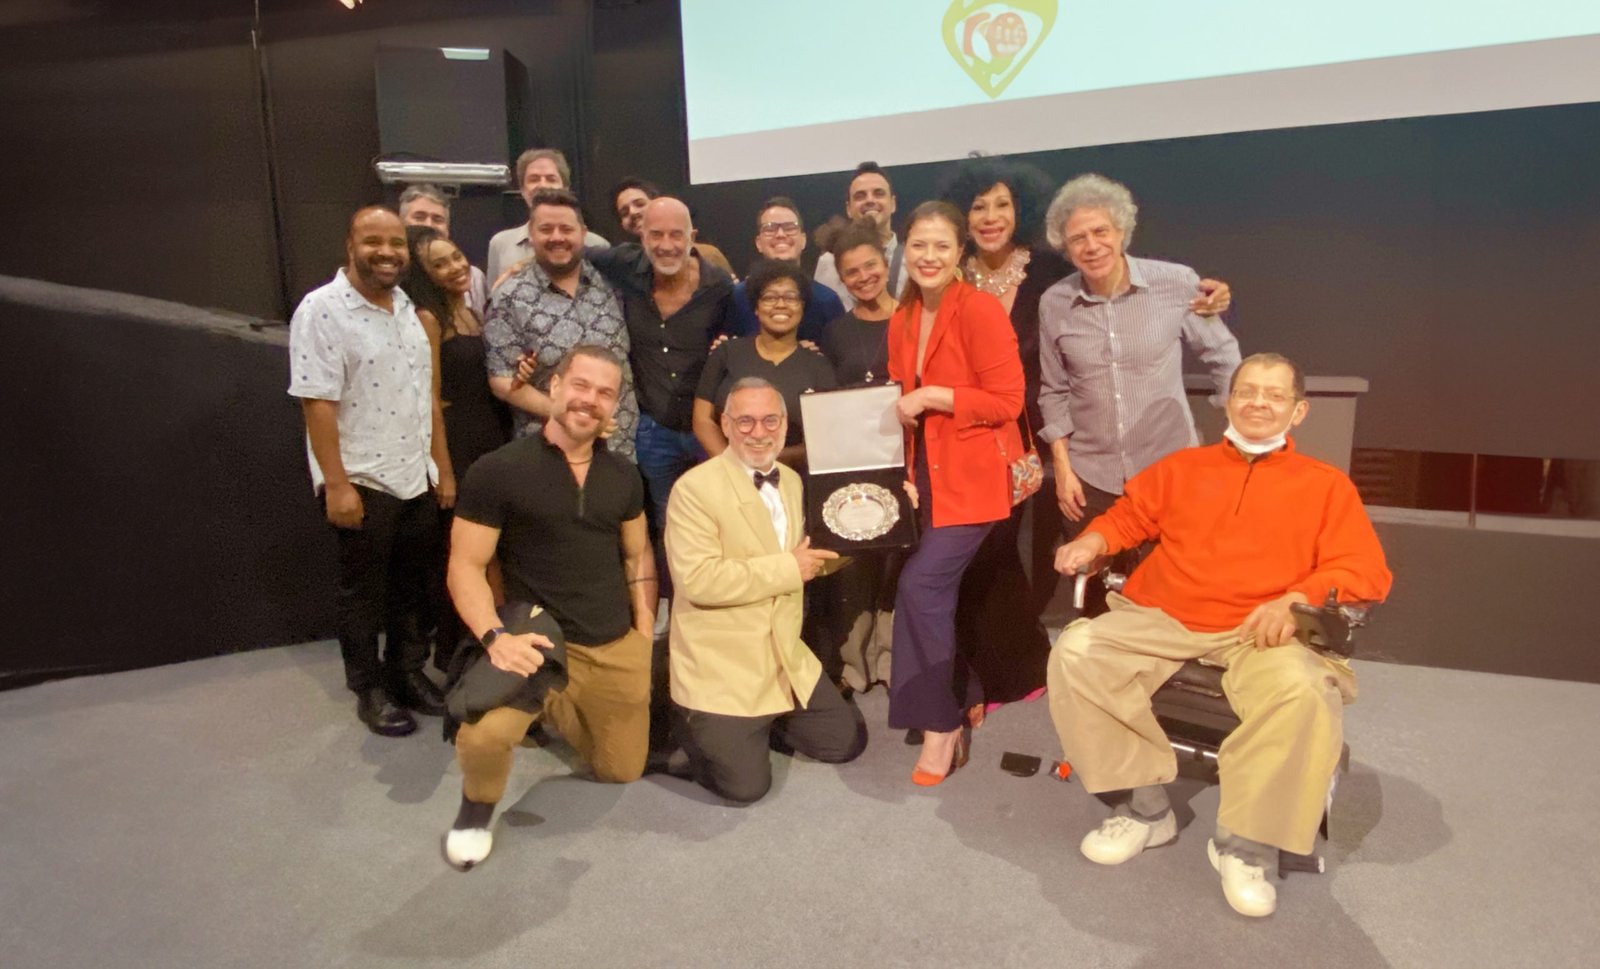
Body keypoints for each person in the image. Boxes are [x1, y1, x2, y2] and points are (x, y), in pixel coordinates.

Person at [1049, 353, 1393, 918]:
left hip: (1260, 628)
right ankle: (1144, 810)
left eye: (1274, 395)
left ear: (1298, 410)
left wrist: (1296, 597)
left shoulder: (1327, 487)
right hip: (1165, 615)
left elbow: (1364, 570)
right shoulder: (1182, 468)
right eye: (1247, 391)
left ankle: (1245, 844)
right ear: (1227, 402)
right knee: (1078, 651)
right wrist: (1096, 540)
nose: (1258, 402)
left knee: (1305, 690)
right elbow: (1131, 517)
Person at [441, 345, 656, 869]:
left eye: (605, 392)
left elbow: (638, 554)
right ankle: (474, 810)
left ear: (616, 405)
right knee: (484, 735)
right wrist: (495, 638)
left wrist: (645, 629)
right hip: (538, 641)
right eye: (580, 385)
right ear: (555, 388)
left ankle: (558, 708)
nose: (590, 400)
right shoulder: (497, 471)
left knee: (621, 770)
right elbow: (465, 566)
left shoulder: (625, 476)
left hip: (613, 641)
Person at [1038, 173, 1241, 617]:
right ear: (1065, 247)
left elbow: (1223, 355)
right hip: (1091, 478)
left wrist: (1233, 437)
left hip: (1169, 468)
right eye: (1077, 239)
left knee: (1170, 597)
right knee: (1094, 605)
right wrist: (1063, 465)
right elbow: (1053, 390)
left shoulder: (1176, 283)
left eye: (1100, 232)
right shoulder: (1055, 301)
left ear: (1121, 231)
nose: (1091, 246)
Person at [287, 206, 452, 737]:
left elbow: (428, 398)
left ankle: (407, 670)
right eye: (373, 241)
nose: (386, 252)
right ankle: (370, 687)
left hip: (414, 475)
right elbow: (317, 403)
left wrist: (441, 471)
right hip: (361, 481)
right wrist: (336, 484)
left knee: (413, 586)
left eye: (396, 243)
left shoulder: (408, 308)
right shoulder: (322, 310)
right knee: (364, 595)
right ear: (350, 245)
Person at [664, 378, 867, 803]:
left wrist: (875, 526)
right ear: (724, 423)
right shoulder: (694, 489)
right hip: (725, 665)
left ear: (785, 423)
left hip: (783, 656)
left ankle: (762, 723)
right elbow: (698, 580)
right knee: (748, 788)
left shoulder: (790, 480)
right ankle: (688, 721)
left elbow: (809, 558)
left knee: (842, 742)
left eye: (770, 420)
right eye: (746, 421)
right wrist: (789, 567)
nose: (759, 432)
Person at [886, 200, 1026, 785]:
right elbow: (896, 403)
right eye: (919, 245)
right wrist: (903, 474)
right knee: (935, 594)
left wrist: (936, 396)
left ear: (959, 254)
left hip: (975, 481)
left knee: (922, 586)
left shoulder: (981, 310)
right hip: (926, 478)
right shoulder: (901, 317)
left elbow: (1008, 402)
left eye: (942, 246)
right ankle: (962, 694)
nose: (929, 256)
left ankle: (942, 726)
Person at [585, 197, 736, 547]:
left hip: (708, 427)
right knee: (666, 521)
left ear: (691, 236)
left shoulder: (721, 288)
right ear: (641, 235)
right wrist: (523, 266)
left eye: (675, 235)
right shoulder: (625, 264)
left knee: (718, 518)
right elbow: (570, 252)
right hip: (653, 430)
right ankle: (674, 598)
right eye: (656, 235)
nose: (666, 245)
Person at [401, 226, 512, 670]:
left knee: (495, 550)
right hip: (458, 441)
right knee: (464, 553)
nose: (455, 267)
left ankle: (489, 642)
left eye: (457, 256)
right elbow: (429, 397)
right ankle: (454, 654)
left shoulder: (469, 310)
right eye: (440, 263)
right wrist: (443, 471)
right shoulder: (429, 319)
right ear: (424, 275)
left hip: (489, 434)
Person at [483, 188, 636, 461]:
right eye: (546, 229)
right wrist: (567, 411)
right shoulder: (509, 297)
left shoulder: (613, 281)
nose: (557, 237)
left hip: (619, 448)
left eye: (566, 229)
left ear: (582, 233)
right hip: (550, 454)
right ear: (531, 235)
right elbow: (502, 379)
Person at [814, 218, 901, 692]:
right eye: (852, 272)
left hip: (902, 459)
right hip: (850, 464)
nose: (864, 276)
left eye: (870, 265)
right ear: (841, 279)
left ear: (885, 263)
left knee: (895, 564)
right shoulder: (835, 332)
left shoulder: (913, 319)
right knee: (854, 565)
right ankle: (854, 665)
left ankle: (889, 661)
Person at [693, 259, 837, 469]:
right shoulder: (726, 353)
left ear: (802, 307)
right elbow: (702, 419)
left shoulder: (819, 367)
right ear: (756, 308)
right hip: (726, 472)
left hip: (792, 477)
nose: (780, 304)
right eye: (770, 297)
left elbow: (824, 438)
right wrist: (733, 467)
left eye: (791, 297)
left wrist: (764, 462)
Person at [485, 148, 608, 287]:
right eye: (534, 179)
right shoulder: (501, 244)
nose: (542, 185)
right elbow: (492, 299)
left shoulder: (597, 244)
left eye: (551, 178)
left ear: (565, 187)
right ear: (522, 190)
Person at [728, 197, 843, 342]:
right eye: (770, 228)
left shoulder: (827, 301)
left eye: (790, 227)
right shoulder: (737, 299)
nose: (781, 234)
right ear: (758, 243)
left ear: (803, 240)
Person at [814, 162, 909, 309]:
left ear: (893, 203)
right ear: (849, 209)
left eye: (879, 193)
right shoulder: (828, 262)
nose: (870, 200)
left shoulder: (912, 259)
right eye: (860, 196)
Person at [398, 184, 490, 314]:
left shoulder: (473, 277)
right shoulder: (393, 275)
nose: (429, 225)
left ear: (447, 227)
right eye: (419, 217)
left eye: (437, 219)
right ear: (400, 222)